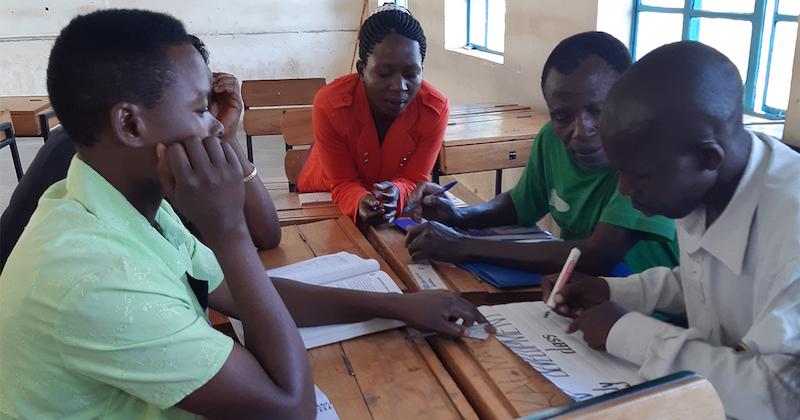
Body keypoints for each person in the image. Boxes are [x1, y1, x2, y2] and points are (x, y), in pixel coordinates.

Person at [0, 10, 490, 419]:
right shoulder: (94, 275)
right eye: (198, 109)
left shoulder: (121, 203)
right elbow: (289, 406)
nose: (215, 125)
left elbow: (240, 290)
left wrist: (398, 305)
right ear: (130, 123)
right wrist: (227, 231)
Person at [545, 41, 800, 419]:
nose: (625, 189)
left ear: (707, 157)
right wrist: (613, 290)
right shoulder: (706, 180)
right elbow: (704, 283)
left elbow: (779, 395)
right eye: (621, 171)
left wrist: (629, 333)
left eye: (640, 175)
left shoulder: (790, 229)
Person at [405, 32, 678, 276]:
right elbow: (520, 205)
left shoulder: (647, 159)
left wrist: (462, 245)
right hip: (586, 297)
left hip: (656, 317)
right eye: (562, 116)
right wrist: (459, 216)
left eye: (599, 111)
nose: (581, 130)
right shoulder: (551, 139)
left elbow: (597, 256)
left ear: (627, 101)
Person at [0, 35, 281, 270]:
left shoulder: (172, 143)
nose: (212, 118)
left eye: (205, 99)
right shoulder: (83, 159)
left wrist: (228, 136)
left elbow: (265, 235)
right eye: (196, 103)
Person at [297, 4, 448, 225]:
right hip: (324, 199)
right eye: (384, 73)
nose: (399, 86)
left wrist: (397, 192)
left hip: (387, 209)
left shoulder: (434, 109)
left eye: (411, 73)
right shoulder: (331, 105)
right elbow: (342, 182)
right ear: (361, 71)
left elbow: (414, 179)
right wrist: (359, 201)